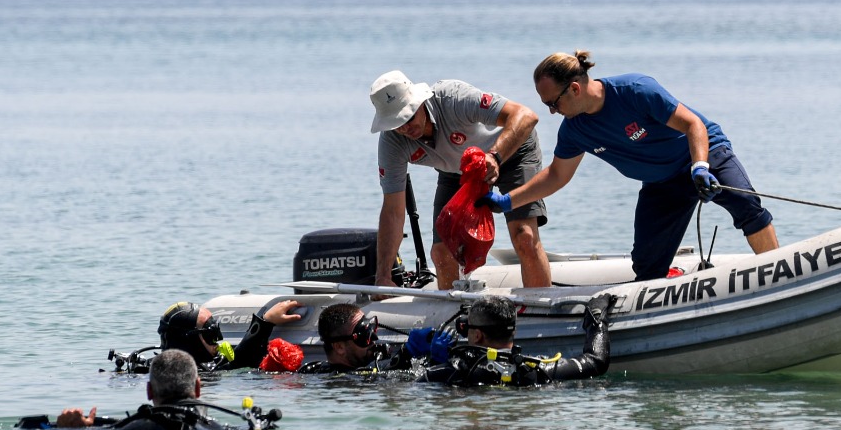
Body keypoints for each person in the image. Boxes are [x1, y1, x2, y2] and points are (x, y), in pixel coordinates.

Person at [486, 51, 779, 281]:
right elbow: (557, 176)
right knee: (648, 265)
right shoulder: (574, 130)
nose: (551, 112)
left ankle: (778, 273)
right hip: (662, 184)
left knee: (745, 204)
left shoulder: (635, 90)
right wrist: (508, 201)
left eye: (553, 103)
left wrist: (700, 166)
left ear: (574, 88)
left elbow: (693, 125)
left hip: (702, 155)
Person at [370, 70, 552, 289]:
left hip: (512, 151)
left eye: (408, 117)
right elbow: (392, 211)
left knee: (524, 236)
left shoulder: (453, 99)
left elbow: (526, 115)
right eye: (396, 123)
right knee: (441, 253)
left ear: (420, 102)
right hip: (458, 169)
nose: (405, 128)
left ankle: (542, 311)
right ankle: (453, 317)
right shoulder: (392, 143)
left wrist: (494, 156)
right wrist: (383, 276)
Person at [303, 299, 610, 385]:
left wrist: (428, 360)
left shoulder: (451, 372)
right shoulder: (535, 369)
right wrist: (596, 319)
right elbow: (594, 362)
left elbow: (402, 383)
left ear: (475, 335)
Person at [20, 349, 281, 430]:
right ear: (198, 387)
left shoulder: (131, 429)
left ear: (148, 391)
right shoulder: (221, 429)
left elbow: (25, 428)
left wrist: (74, 428)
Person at [110, 298, 305, 373]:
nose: (218, 342)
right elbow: (240, 361)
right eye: (212, 335)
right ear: (190, 340)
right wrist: (265, 321)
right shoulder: (198, 373)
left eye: (217, 332)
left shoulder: (156, 366)